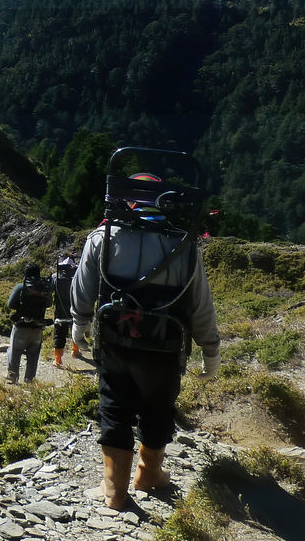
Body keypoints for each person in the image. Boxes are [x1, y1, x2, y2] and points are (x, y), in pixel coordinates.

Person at [70, 173, 220, 510]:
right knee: (158, 411)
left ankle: (115, 491)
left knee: (114, 407)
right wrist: (211, 353)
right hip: (164, 349)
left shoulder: (102, 239)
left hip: (115, 343)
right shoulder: (184, 246)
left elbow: (81, 293)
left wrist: (78, 328)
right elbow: (200, 306)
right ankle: (149, 474)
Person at [6, 263, 50, 383]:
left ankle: (12, 377)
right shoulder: (45, 288)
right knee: (33, 356)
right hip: (38, 327)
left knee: (14, 352)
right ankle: (29, 381)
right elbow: (49, 304)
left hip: (21, 327)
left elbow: (10, 304)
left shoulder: (21, 287)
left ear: (25, 274)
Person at [51, 251, 80, 368]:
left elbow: (50, 290)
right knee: (76, 329)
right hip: (76, 308)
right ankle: (75, 351)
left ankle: (58, 360)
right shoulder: (78, 274)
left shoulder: (55, 276)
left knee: (59, 332)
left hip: (60, 309)